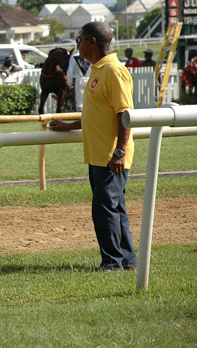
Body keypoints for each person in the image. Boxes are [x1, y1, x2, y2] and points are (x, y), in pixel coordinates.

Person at [49, 21, 137, 272]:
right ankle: (127, 261)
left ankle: (112, 262)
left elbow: (124, 114)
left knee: (104, 209)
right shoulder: (98, 69)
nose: (78, 44)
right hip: (99, 155)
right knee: (114, 208)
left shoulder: (113, 71)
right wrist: (67, 125)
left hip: (111, 156)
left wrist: (119, 151)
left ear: (92, 42)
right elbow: (96, 113)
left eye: (80, 39)